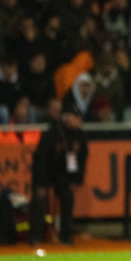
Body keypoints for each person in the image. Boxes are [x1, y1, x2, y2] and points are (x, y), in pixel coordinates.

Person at [29, 99, 89, 246]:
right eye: (77, 118)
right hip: (46, 172)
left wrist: (75, 180)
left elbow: (81, 161)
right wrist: (41, 182)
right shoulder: (52, 133)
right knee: (39, 200)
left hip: (64, 175)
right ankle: (35, 237)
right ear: (68, 117)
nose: (79, 121)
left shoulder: (80, 136)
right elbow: (41, 159)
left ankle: (65, 236)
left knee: (67, 197)